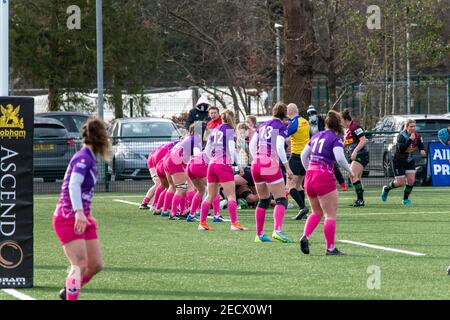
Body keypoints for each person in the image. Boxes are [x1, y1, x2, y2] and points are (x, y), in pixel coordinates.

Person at [53, 118, 110, 300]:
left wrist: (87, 214)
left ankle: (69, 290)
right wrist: (79, 211)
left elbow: (84, 191)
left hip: (82, 216)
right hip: (67, 217)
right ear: (100, 137)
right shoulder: (83, 158)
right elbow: (73, 185)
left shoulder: (90, 158)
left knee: (96, 265)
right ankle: (72, 294)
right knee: (79, 264)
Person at [299, 110, 354, 256]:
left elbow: (304, 156)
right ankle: (330, 248)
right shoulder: (335, 139)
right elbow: (340, 159)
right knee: (330, 214)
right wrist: (350, 171)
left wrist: (309, 170)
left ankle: (305, 236)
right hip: (323, 177)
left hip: (310, 176)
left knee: (316, 212)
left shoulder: (316, 136)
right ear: (339, 125)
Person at [249, 102, 294, 242]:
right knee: (281, 199)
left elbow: (251, 144)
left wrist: (256, 157)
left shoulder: (262, 125)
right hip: (269, 163)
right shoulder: (280, 126)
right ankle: (277, 230)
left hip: (256, 162)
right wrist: (287, 167)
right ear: (285, 114)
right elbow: (280, 147)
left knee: (264, 200)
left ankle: (259, 234)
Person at [198, 109, 249, 231]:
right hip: (223, 165)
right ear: (233, 118)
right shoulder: (230, 130)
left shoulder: (215, 130)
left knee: (210, 195)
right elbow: (231, 150)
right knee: (231, 195)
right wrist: (238, 165)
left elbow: (207, 151)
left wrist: (213, 160)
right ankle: (234, 224)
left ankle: (202, 223)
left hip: (212, 164)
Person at [380, 119, 426, 205]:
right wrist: (410, 140)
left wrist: (422, 150)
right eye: (411, 126)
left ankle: (405, 199)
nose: (413, 128)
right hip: (398, 161)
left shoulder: (417, 135)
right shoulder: (401, 136)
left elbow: (420, 144)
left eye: (414, 126)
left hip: (409, 160)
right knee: (399, 183)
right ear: (406, 127)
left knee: (411, 181)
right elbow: (402, 149)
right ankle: (386, 189)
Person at [165, 125, 202, 220]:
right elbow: (197, 157)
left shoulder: (188, 138)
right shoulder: (196, 139)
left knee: (181, 187)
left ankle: (182, 211)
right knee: (184, 187)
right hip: (175, 161)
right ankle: (192, 211)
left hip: (170, 159)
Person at [307, 105, 347, 191]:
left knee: (332, 164)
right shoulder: (308, 124)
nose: (311, 115)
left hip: (324, 144)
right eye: (309, 114)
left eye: (313, 113)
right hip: (315, 145)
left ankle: (342, 183)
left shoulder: (321, 121)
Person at [286, 103, 310, 220]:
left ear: (290, 113)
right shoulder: (306, 122)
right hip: (305, 157)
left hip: (295, 156)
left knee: (290, 186)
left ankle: (302, 207)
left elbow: (285, 135)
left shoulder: (294, 123)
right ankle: (303, 211)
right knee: (298, 185)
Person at [342, 108, 369, 207]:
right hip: (353, 155)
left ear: (345, 119)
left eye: (341, 121)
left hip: (361, 154)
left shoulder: (355, 127)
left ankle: (360, 200)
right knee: (355, 177)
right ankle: (360, 199)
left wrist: (355, 151)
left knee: (352, 175)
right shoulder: (347, 130)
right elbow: (346, 143)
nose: (340, 123)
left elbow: (363, 140)